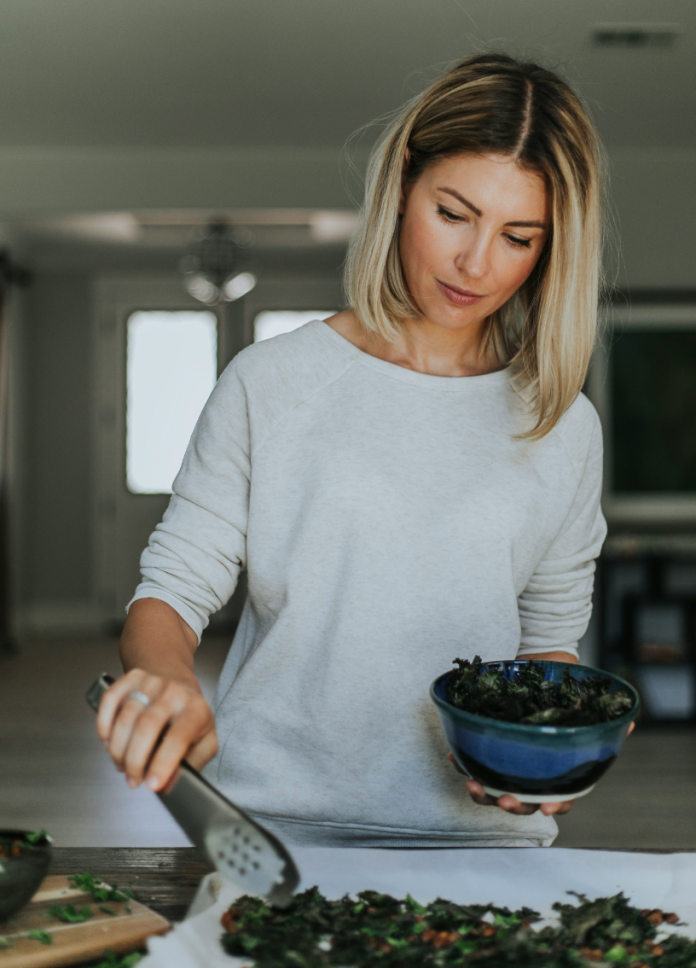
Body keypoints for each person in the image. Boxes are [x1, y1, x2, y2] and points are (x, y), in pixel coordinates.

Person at [97, 53, 608, 847]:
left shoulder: (562, 423)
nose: (477, 264)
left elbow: (549, 643)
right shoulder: (272, 382)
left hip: (486, 843)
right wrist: (166, 680)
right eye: (454, 214)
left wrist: (565, 735)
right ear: (403, 184)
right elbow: (172, 590)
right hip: (273, 833)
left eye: (518, 237)